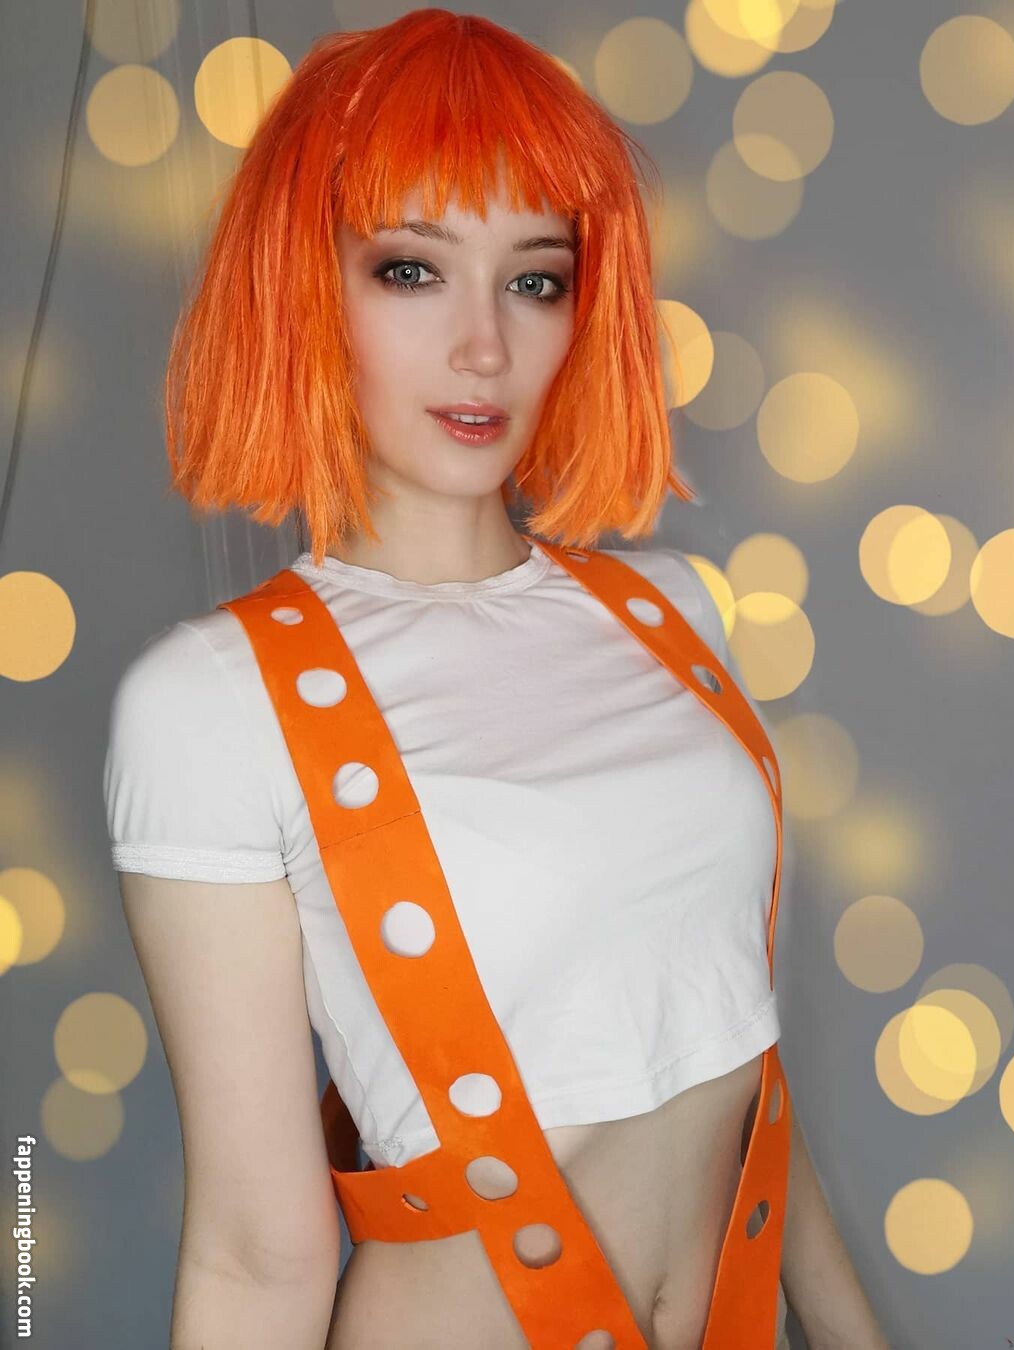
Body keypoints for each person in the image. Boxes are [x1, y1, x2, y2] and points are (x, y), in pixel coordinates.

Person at [104, 10, 887, 1349]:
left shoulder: (677, 613)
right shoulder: (211, 703)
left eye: (534, 280)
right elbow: (254, 1251)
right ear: (301, 287)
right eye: (411, 271)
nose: (484, 347)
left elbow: (732, 1057)